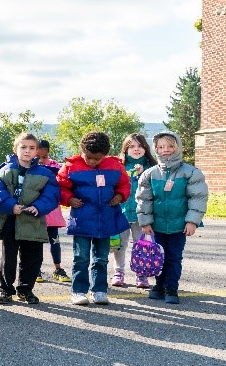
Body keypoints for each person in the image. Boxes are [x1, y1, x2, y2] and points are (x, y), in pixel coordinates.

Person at [57, 131, 131, 306]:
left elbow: (125, 184)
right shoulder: (71, 166)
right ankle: (78, 291)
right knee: (81, 257)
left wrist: (120, 196)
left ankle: (99, 290)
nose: (91, 162)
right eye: (88, 157)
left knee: (101, 258)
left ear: (105, 155)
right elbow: (60, 186)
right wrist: (68, 199)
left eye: (96, 159)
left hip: (106, 219)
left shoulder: (115, 165)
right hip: (82, 219)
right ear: (81, 150)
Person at [0, 133, 60, 305]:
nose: (27, 151)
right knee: (9, 258)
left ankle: (26, 289)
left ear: (37, 151)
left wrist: (39, 207)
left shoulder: (45, 173)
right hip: (11, 219)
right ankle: (6, 290)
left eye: (32, 148)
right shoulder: (6, 169)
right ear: (16, 149)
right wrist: (9, 205)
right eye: (23, 147)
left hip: (34, 221)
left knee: (33, 258)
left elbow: (52, 194)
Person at [136, 131, 209, 304]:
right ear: (155, 149)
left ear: (177, 147)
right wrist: (145, 222)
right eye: (161, 147)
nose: (165, 150)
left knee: (174, 257)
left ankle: (171, 288)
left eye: (170, 146)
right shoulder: (150, 174)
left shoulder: (190, 172)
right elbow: (143, 199)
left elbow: (197, 198)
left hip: (178, 226)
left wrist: (192, 221)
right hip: (157, 226)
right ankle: (159, 285)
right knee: (157, 257)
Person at [112, 133, 157, 289]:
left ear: (145, 148)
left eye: (140, 146)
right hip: (122, 212)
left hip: (142, 215)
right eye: (132, 146)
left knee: (142, 245)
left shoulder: (152, 167)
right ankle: (118, 273)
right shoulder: (119, 166)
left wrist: (142, 175)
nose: (136, 149)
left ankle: (142, 274)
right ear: (125, 149)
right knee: (120, 245)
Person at [35, 139, 71, 283]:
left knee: (54, 241)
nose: (41, 160)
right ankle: (35, 268)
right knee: (36, 242)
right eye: (38, 157)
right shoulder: (30, 167)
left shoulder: (55, 167)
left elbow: (63, 180)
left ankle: (58, 268)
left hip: (52, 212)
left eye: (44, 157)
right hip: (36, 212)